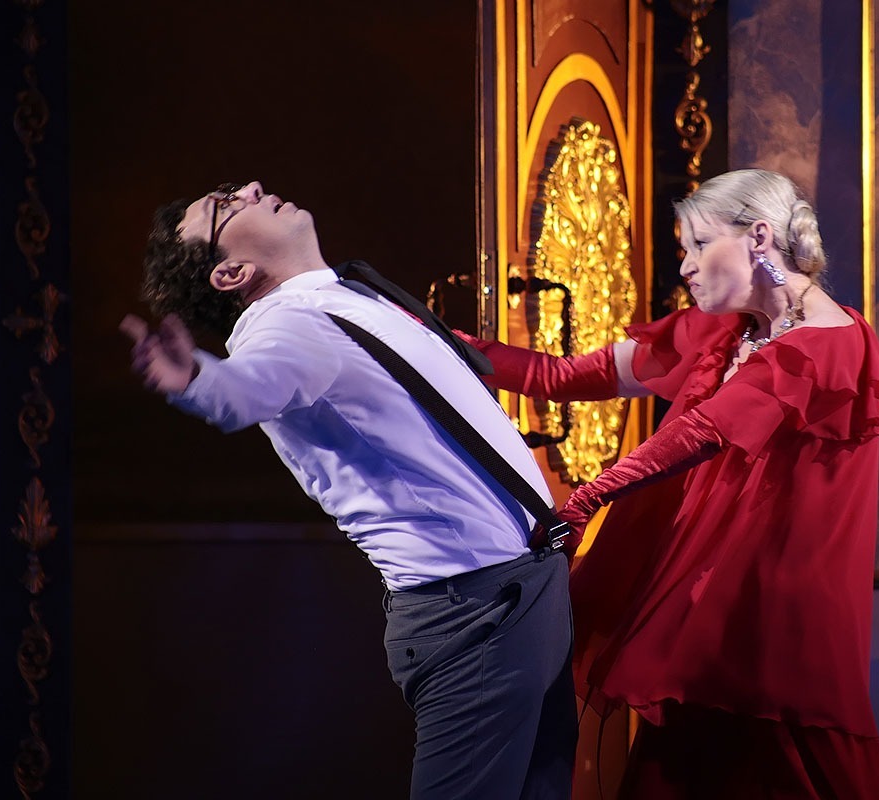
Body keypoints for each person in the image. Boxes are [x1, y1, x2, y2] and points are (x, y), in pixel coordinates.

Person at [120, 181, 576, 800]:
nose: (252, 188)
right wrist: (195, 380)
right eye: (226, 205)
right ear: (232, 273)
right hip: (475, 610)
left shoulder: (339, 296)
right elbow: (245, 387)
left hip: (526, 586)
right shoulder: (286, 326)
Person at [461, 168, 879, 798]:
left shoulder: (831, 343)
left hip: (778, 621)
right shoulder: (727, 331)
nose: (687, 266)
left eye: (699, 244)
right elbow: (562, 377)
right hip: (706, 613)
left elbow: (703, 431)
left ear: (759, 237)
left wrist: (588, 497)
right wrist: (440, 344)